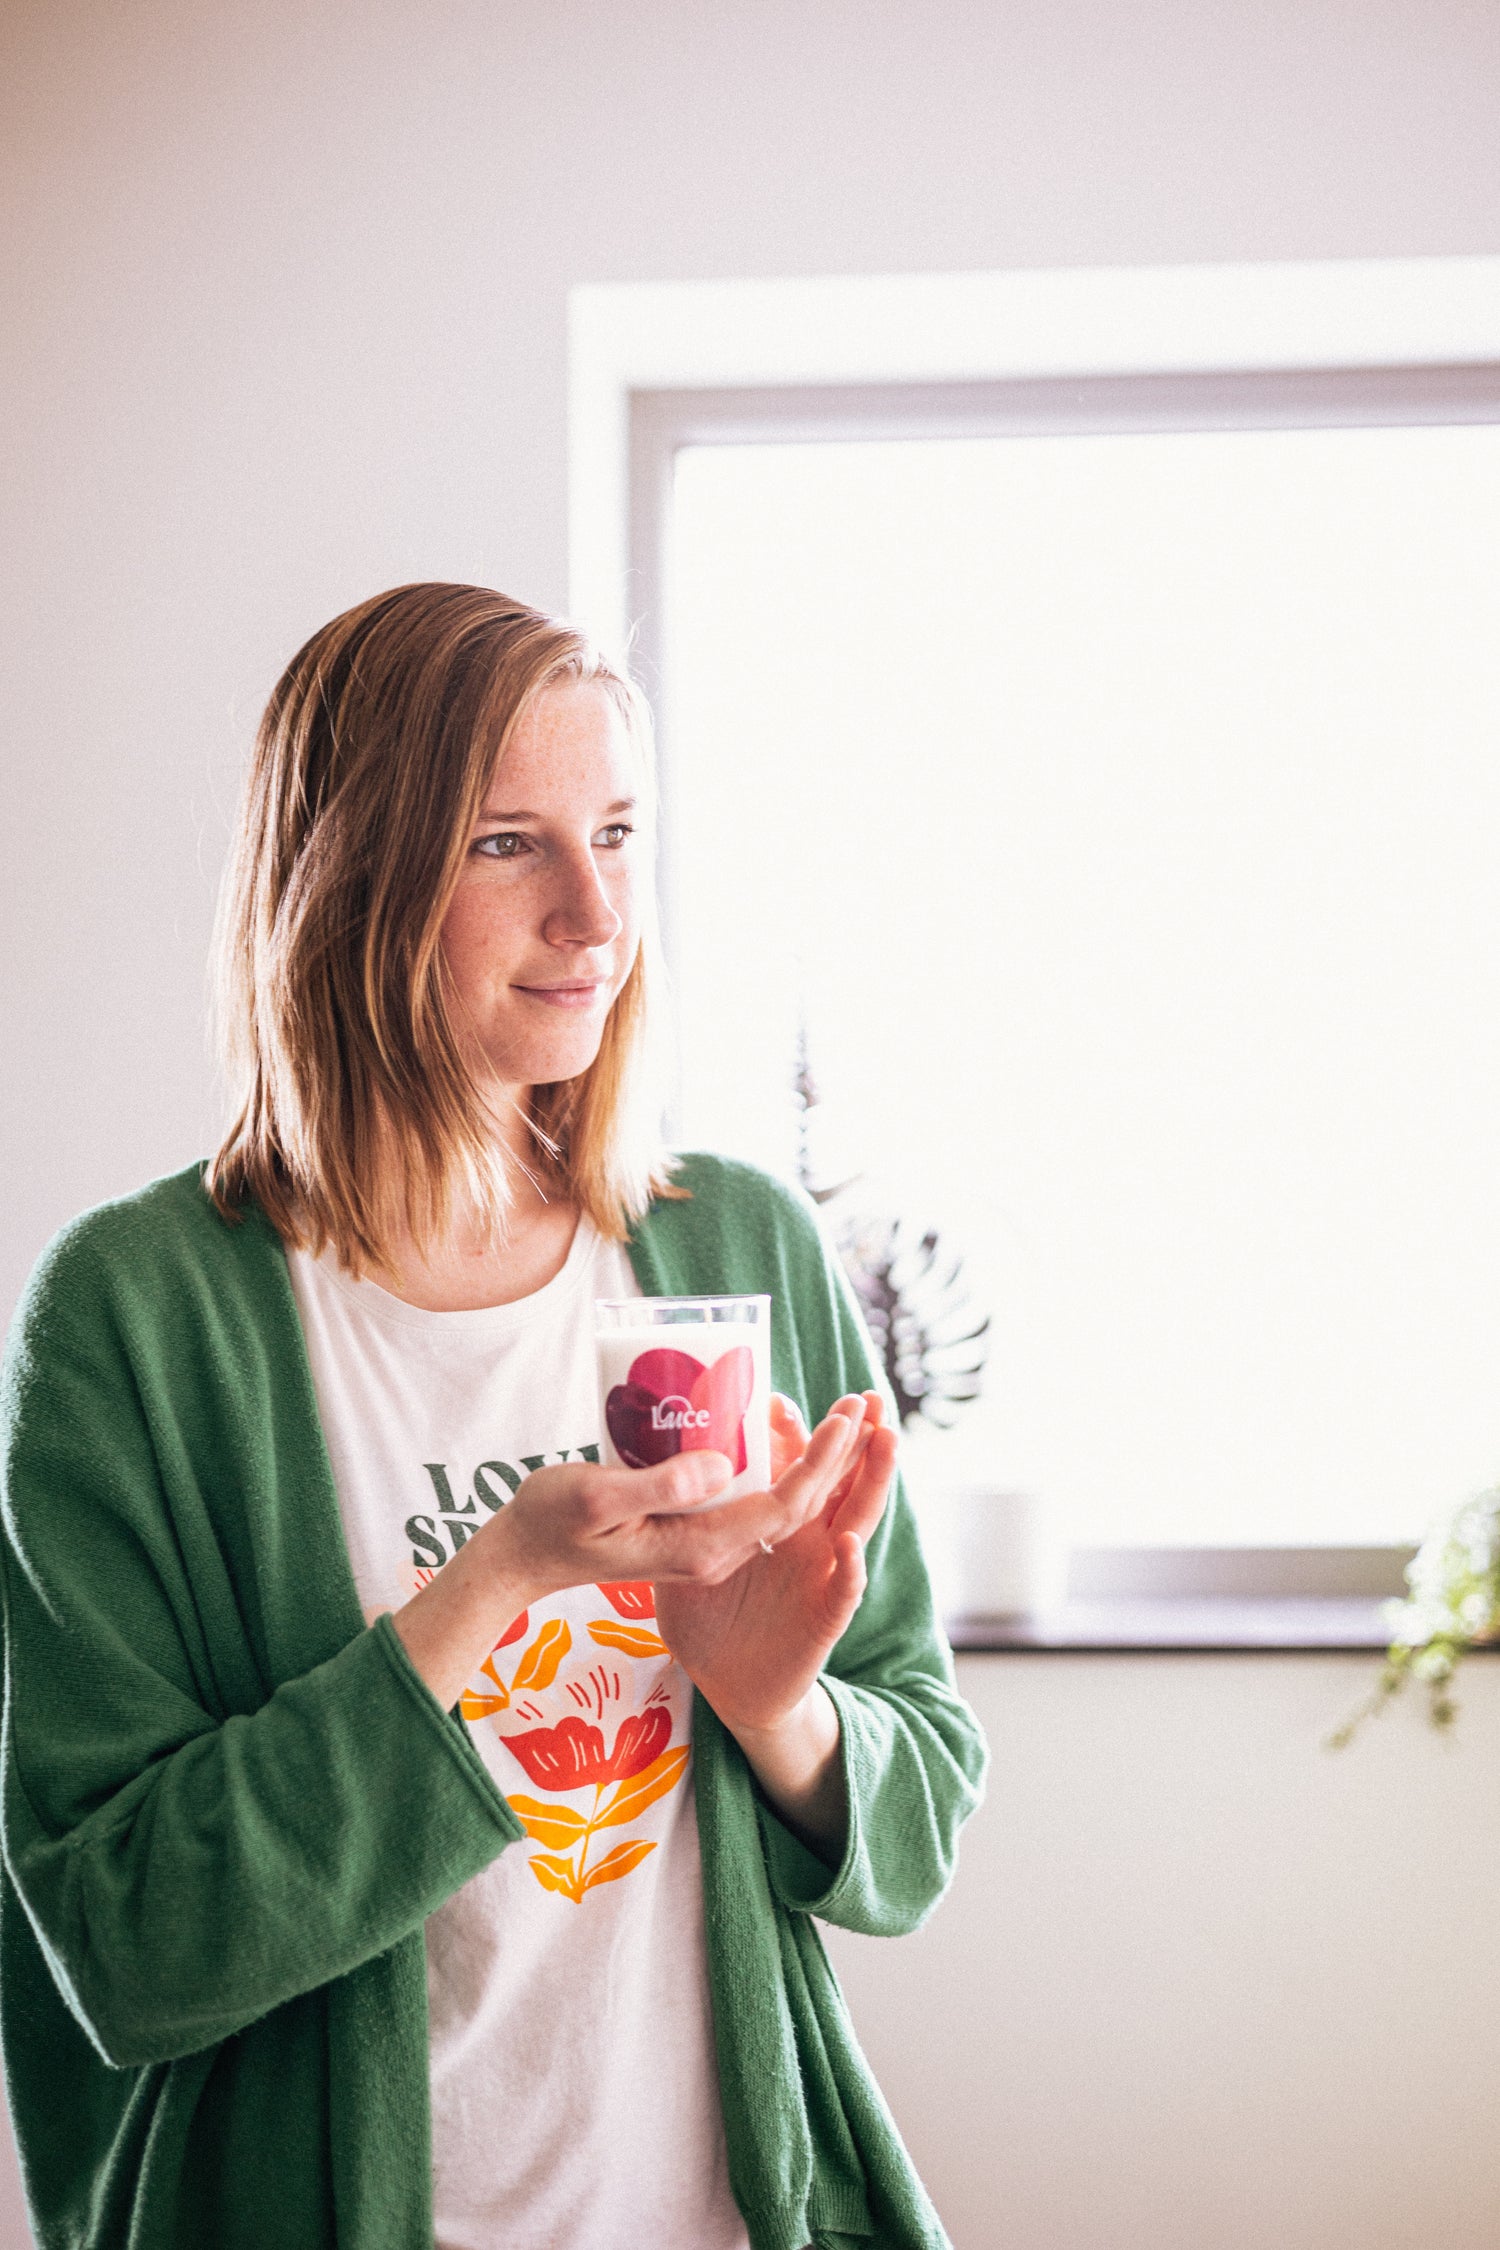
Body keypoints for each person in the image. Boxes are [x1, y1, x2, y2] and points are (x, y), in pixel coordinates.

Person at [0, 583, 988, 2250]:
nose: (594, 913)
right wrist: (498, 1576)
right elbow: (125, 1940)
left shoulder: (735, 1244)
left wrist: (775, 1707)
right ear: (347, 881)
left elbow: (923, 1798)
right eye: (505, 844)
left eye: (617, 830)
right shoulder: (139, 1313)